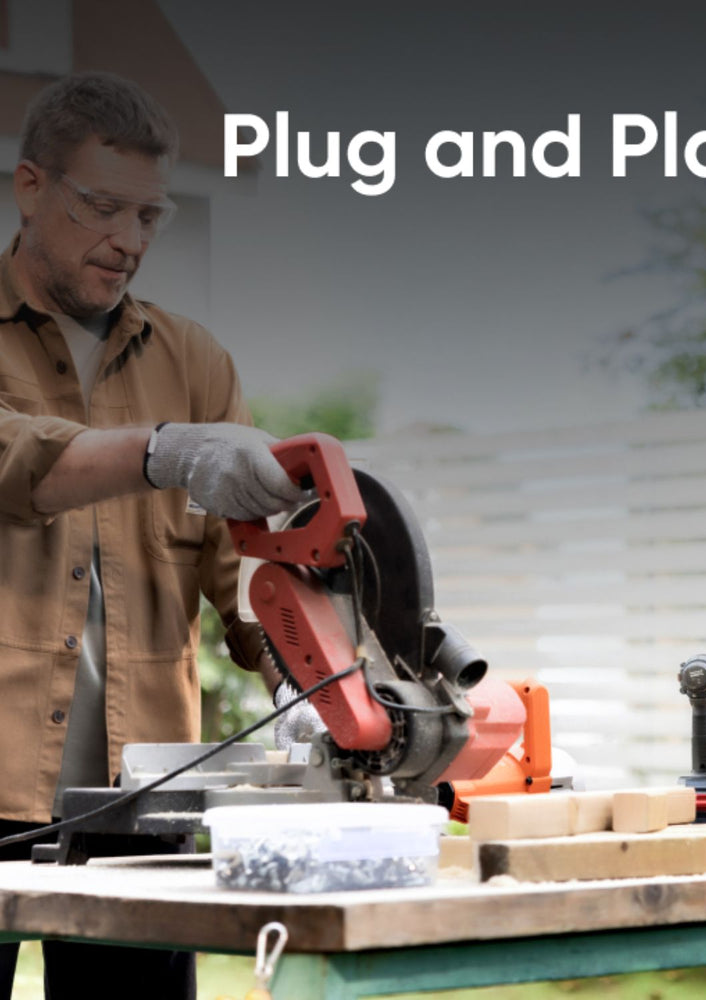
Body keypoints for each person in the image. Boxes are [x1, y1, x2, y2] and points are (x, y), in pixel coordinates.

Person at [0, 72, 312, 999]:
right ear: (30, 187)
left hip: (141, 799)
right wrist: (163, 450)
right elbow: (17, 459)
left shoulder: (195, 361)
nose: (128, 241)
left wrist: (305, 677)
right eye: (102, 207)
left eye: (151, 216)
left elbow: (252, 561)